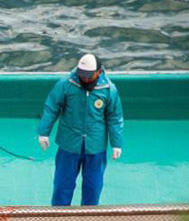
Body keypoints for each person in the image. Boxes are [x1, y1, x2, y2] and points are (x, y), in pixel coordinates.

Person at [36, 53, 124, 206]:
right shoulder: (66, 84)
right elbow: (52, 107)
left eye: (89, 76)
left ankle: (88, 218)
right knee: (63, 184)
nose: (85, 79)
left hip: (95, 146)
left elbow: (114, 118)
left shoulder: (109, 90)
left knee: (93, 186)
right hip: (69, 144)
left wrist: (116, 143)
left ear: (99, 72)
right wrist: (44, 132)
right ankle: (58, 216)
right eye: (82, 75)